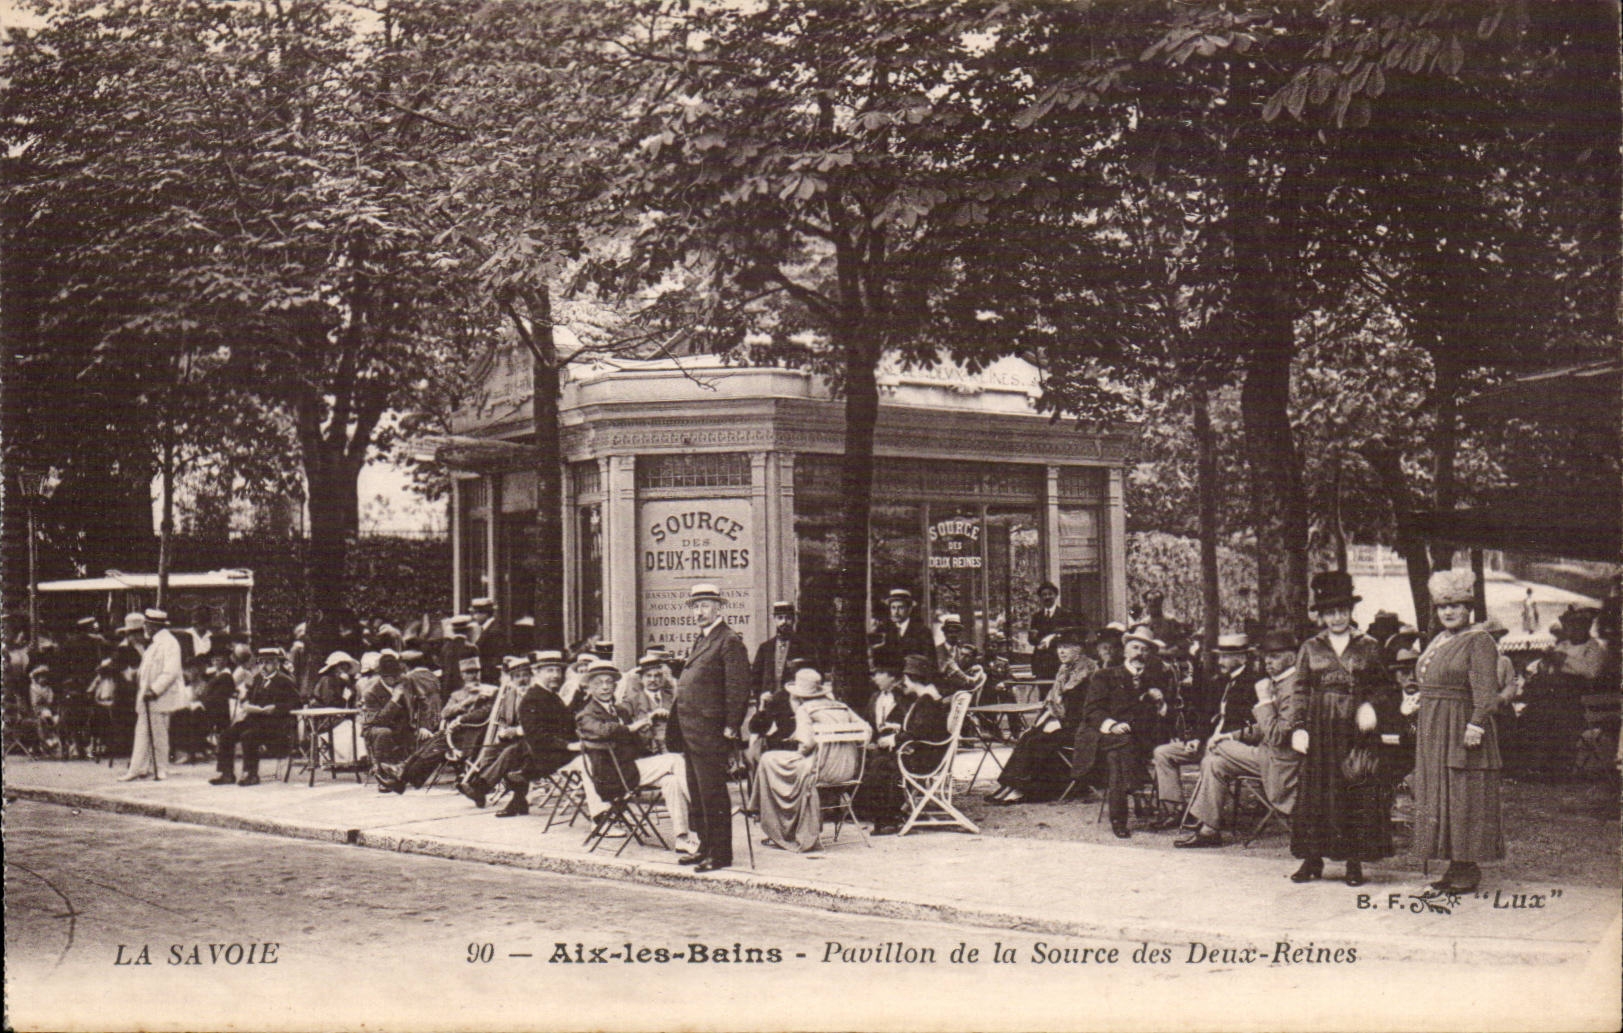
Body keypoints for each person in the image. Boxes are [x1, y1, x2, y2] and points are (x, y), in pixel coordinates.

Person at [1287, 571, 1398, 887]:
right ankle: (1312, 860)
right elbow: (1299, 689)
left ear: (1351, 612)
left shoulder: (1370, 646)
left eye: (1342, 611)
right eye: (1330, 611)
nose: (1337, 617)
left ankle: (1353, 863)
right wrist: (1299, 727)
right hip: (1320, 728)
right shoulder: (1310, 647)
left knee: (1355, 790)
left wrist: (1370, 706)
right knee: (1316, 792)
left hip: (1355, 729)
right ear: (1321, 615)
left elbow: (1386, 687)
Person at [1411, 569, 1505, 896]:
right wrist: (1415, 697)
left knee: (1463, 794)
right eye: (1442, 607)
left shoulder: (1479, 640)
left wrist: (1477, 722)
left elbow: (1487, 692)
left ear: (1469, 608)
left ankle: (1468, 869)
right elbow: (1430, 679)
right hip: (1434, 728)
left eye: (1457, 606)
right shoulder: (1440, 639)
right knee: (1443, 795)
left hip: (1461, 726)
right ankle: (1454, 865)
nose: (1449, 612)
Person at [1175, 630, 1303, 848]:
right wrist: (1232, 735)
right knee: (1214, 761)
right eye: (1266, 657)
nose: (1268, 662)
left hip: (1283, 764)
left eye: (1275, 657)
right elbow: (1263, 727)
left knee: (1218, 748)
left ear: (1292, 657)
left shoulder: (1294, 689)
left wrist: (1263, 701)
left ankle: (1195, 818)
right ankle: (1209, 830)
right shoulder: (1278, 682)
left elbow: (1277, 735)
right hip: (1268, 756)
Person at [577, 659, 699, 854]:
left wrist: (645, 729)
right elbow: (601, 730)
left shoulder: (619, 710)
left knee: (672, 781)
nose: (605, 687)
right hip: (614, 776)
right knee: (675, 760)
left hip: (630, 768)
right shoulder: (586, 714)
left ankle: (682, 838)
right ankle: (701, 809)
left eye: (609, 682)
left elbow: (635, 744)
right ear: (589, 688)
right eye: (599, 683)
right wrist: (631, 728)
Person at [671, 583, 750, 872]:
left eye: (705, 605)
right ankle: (704, 846)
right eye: (695, 606)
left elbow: (738, 687)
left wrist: (731, 725)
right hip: (691, 731)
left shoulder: (728, 640)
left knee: (713, 793)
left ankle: (720, 854)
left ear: (719, 608)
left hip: (710, 730)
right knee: (697, 792)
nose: (699, 612)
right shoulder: (703, 639)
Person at [752, 667, 871, 852]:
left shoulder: (805, 709)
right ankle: (768, 815)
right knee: (776, 762)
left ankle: (775, 824)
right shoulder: (841, 706)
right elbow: (866, 730)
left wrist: (802, 747)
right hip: (847, 769)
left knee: (768, 759)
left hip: (820, 770)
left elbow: (806, 745)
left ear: (798, 695)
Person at [1150, 634, 1257, 830]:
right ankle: (1175, 809)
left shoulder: (1254, 684)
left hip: (1234, 747)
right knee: (1163, 752)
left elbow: (1254, 726)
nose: (1220, 661)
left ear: (1241, 658)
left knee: (1210, 759)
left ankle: (1202, 816)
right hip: (1208, 742)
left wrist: (1220, 739)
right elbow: (1206, 716)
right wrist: (1197, 739)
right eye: (1220, 656)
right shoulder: (1219, 682)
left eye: (1225, 657)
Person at [1070, 647, 1169, 838]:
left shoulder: (1157, 677)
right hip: (1104, 735)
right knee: (1118, 751)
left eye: (1145, 649)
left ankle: (1120, 816)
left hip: (1142, 740)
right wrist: (1112, 725)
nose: (1140, 653)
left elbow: (1171, 714)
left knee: (1120, 751)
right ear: (1124, 652)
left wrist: (1161, 703)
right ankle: (1125, 807)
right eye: (1135, 647)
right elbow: (1091, 711)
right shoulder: (1105, 675)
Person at [990, 629, 1096, 804]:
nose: (1061, 652)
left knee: (1038, 741)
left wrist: (1061, 722)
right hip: (1063, 722)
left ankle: (1024, 789)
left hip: (1081, 727)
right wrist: (1046, 720)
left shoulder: (1087, 671)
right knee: (1028, 737)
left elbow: (1085, 707)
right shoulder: (1064, 670)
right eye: (1059, 648)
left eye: (1067, 647)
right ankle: (1010, 785)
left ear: (1079, 649)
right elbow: (1053, 701)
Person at [859, 654, 952, 835]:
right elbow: (920, 727)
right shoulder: (927, 699)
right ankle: (888, 814)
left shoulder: (926, 700)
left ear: (912, 679)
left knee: (881, 763)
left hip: (925, 758)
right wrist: (899, 727)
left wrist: (893, 739)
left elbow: (919, 732)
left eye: (907, 679)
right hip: (925, 752)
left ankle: (887, 818)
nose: (905, 683)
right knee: (880, 760)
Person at [375, 656, 497, 792]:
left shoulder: (490, 690)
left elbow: (486, 712)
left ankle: (402, 774)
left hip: (478, 734)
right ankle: (401, 777)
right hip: (458, 733)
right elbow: (444, 713)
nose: (474, 675)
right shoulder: (457, 694)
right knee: (434, 743)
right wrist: (465, 702)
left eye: (477, 671)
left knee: (437, 743)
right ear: (462, 675)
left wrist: (461, 719)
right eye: (469, 672)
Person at [210, 647, 300, 786]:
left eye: (268, 662)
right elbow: (248, 697)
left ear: (277, 663)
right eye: (261, 662)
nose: (264, 666)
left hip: (275, 724)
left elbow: (296, 703)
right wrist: (245, 703)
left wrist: (276, 708)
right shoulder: (258, 679)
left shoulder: (284, 681)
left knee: (249, 735)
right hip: (255, 719)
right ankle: (226, 773)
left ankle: (251, 774)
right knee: (227, 734)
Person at [121, 609, 186, 781]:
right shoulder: (154, 643)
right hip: (147, 697)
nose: (145, 628)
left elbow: (170, 672)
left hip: (159, 697)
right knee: (143, 733)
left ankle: (160, 769)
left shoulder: (169, 643)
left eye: (148, 625)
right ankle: (139, 768)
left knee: (158, 735)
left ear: (155, 625)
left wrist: (155, 689)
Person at [752, 601, 815, 700]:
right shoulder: (765, 648)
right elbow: (755, 678)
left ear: (794, 620)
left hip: (795, 705)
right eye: (780, 618)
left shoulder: (805, 647)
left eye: (788, 618)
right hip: (769, 705)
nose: (784, 622)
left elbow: (814, 676)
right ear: (774, 620)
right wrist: (761, 696)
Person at [619, 652, 677, 755]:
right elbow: (623, 727)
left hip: (672, 748)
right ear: (641, 679)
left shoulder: (672, 698)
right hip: (644, 752)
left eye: (657, 676)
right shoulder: (632, 701)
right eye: (648, 676)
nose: (653, 680)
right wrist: (650, 716)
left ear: (662, 678)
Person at [874, 589, 935, 674]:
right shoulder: (885, 631)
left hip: (916, 681)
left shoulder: (923, 632)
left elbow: (930, 663)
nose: (896, 612)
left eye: (901, 608)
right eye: (893, 608)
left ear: (909, 609)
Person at [1028, 582, 1076, 681]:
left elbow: (1069, 636)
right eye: (1044, 595)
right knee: (1043, 693)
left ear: (1056, 595)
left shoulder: (1065, 614)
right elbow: (1032, 639)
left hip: (1059, 661)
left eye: (1050, 594)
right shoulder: (1037, 617)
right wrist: (1038, 641)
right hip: (1041, 663)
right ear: (1040, 598)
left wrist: (1052, 639)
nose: (1047, 597)